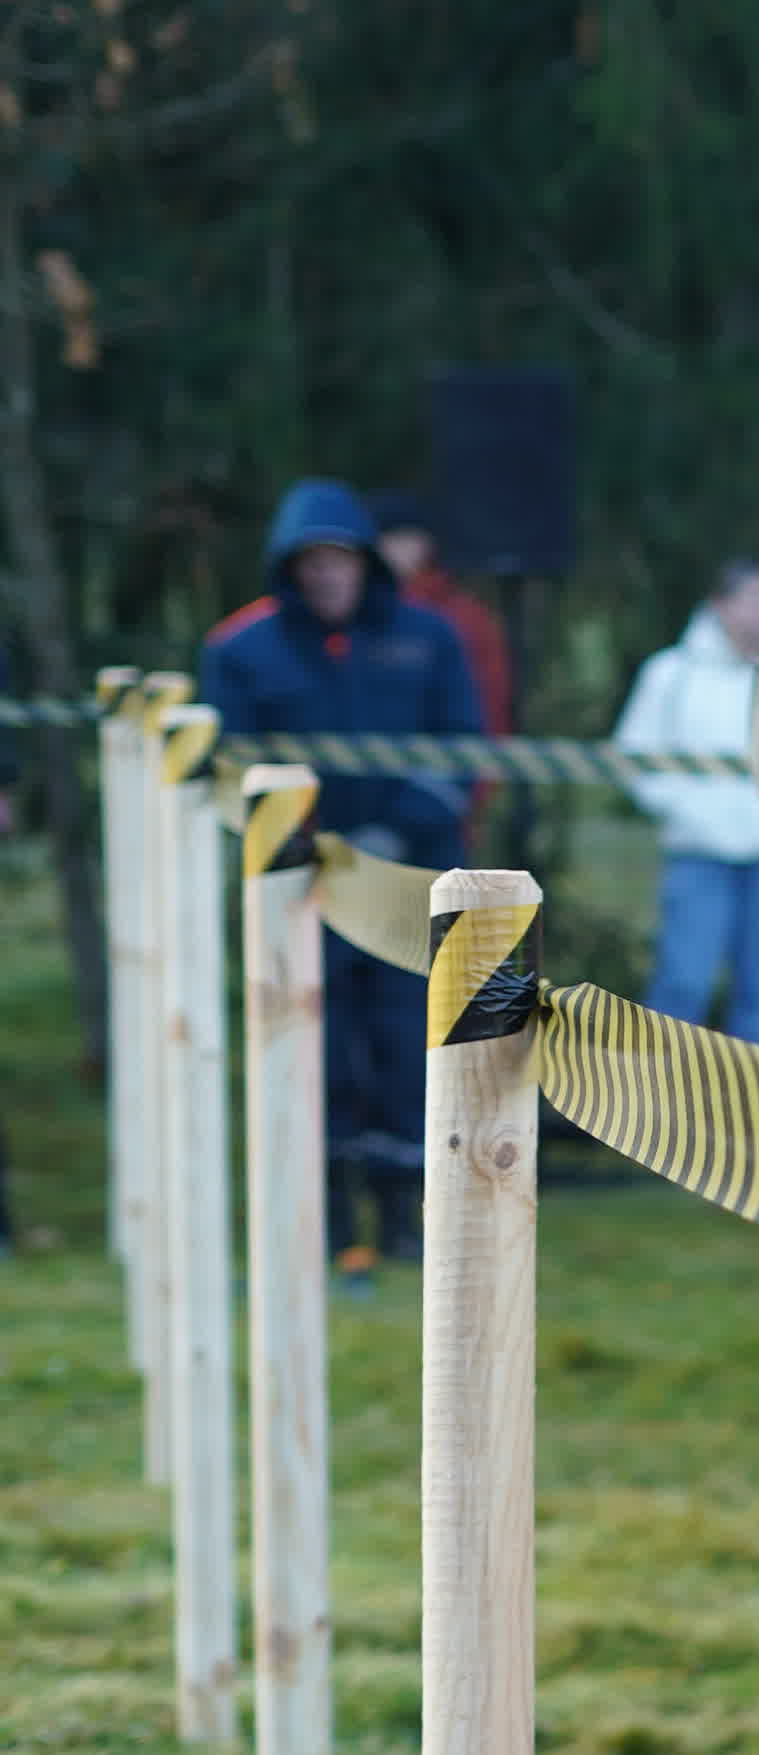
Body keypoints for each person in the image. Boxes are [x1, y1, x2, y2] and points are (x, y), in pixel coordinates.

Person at [199, 483, 478, 1270]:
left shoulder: (432, 638)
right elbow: (233, 769)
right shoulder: (237, 650)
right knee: (313, 1048)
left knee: (410, 1048)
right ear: (289, 569)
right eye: (311, 562)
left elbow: (464, 749)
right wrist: (314, 847)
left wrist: (396, 831)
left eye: (341, 560)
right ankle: (320, 1219)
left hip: (408, 881)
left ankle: (407, 1218)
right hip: (299, 888)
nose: (328, 576)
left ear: (366, 564)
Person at [612, 563, 759, 1046]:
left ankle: (749, 1111)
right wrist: (685, 811)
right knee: (683, 984)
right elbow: (635, 757)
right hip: (700, 852)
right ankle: (657, 1103)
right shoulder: (671, 674)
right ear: (721, 605)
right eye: (756, 600)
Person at [373, 508, 519, 737]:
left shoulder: (465, 615)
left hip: (449, 760)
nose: (393, 549)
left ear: (426, 544)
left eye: (405, 538)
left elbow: (491, 694)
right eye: (386, 540)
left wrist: (487, 762)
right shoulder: (354, 614)